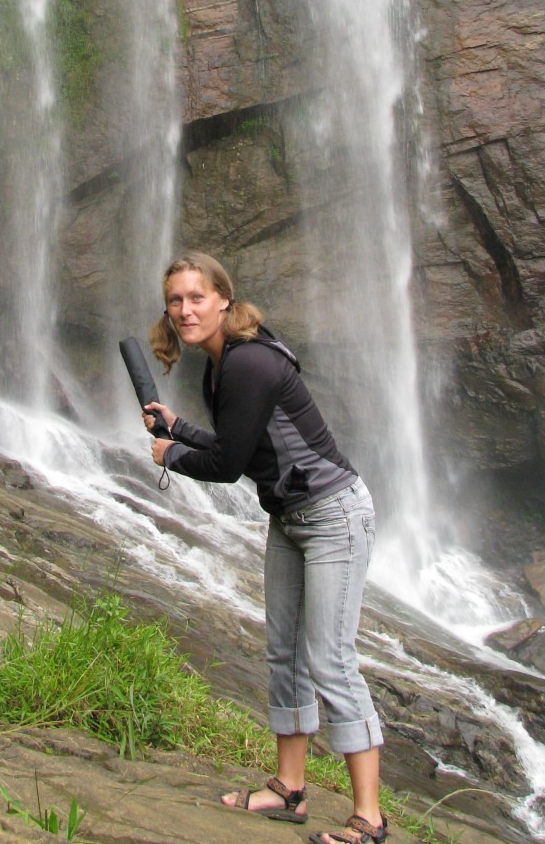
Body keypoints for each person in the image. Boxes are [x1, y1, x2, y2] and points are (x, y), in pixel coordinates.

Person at [143, 252, 388, 844]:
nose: (184, 310)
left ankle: (370, 819)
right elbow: (242, 443)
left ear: (224, 299)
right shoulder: (225, 361)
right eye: (175, 300)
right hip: (291, 516)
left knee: (330, 659)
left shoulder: (248, 362)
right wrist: (176, 426)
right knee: (285, 652)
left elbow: (227, 466)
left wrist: (171, 454)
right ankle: (289, 789)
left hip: (334, 515)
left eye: (196, 297)